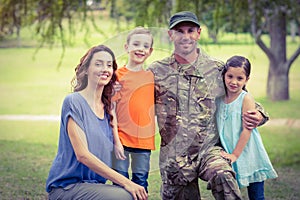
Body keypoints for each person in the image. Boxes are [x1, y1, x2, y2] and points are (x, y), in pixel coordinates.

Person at [148, 11, 269, 200]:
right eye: (179, 31)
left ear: (199, 33)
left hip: (209, 151)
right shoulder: (156, 71)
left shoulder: (217, 69)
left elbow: (242, 97)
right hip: (176, 159)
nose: (185, 36)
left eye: (190, 30)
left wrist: (259, 114)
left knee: (224, 176)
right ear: (170, 35)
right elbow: (133, 100)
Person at [45, 45, 148, 200]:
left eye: (109, 65)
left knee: (134, 194)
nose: (105, 69)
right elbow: (83, 156)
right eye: (98, 64)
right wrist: (127, 183)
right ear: (86, 69)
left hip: (94, 186)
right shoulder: (74, 102)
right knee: (126, 196)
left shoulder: (108, 110)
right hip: (68, 187)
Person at [216, 55, 278, 200]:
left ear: (247, 80)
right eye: (230, 76)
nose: (233, 82)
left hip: (249, 152)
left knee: (256, 195)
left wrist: (235, 155)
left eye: (239, 78)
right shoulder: (219, 98)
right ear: (224, 75)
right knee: (231, 191)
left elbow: (247, 130)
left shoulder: (246, 98)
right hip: (230, 150)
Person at [112, 27, 155, 193]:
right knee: (120, 184)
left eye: (145, 46)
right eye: (136, 44)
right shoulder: (117, 76)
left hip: (143, 141)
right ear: (126, 47)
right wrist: (116, 141)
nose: (140, 49)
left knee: (141, 183)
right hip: (121, 139)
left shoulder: (152, 76)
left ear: (150, 51)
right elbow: (111, 111)